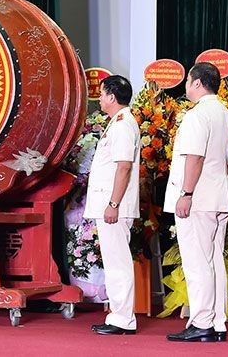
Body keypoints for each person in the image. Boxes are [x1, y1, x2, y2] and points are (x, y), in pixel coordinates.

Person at [164, 62, 228, 343]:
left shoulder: (198, 115)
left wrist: (187, 193)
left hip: (198, 198)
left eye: (188, 81)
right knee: (214, 259)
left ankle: (202, 321)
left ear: (196, 83)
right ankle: (217, 321)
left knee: (197, 261)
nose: (186, 87)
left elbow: (194, 157)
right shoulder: (226, 115)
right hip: (218, 195)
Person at [84, 75, 141, 335]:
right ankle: (118, 314)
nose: (100, 98)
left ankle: (123, 318)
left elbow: (123, 167)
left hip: (114, 205)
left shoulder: (122, 124)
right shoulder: (116, 123)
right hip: (109, 203)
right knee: (113, 259)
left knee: (118, 261)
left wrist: (113, 203)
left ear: (111, 96)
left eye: (103, 93)